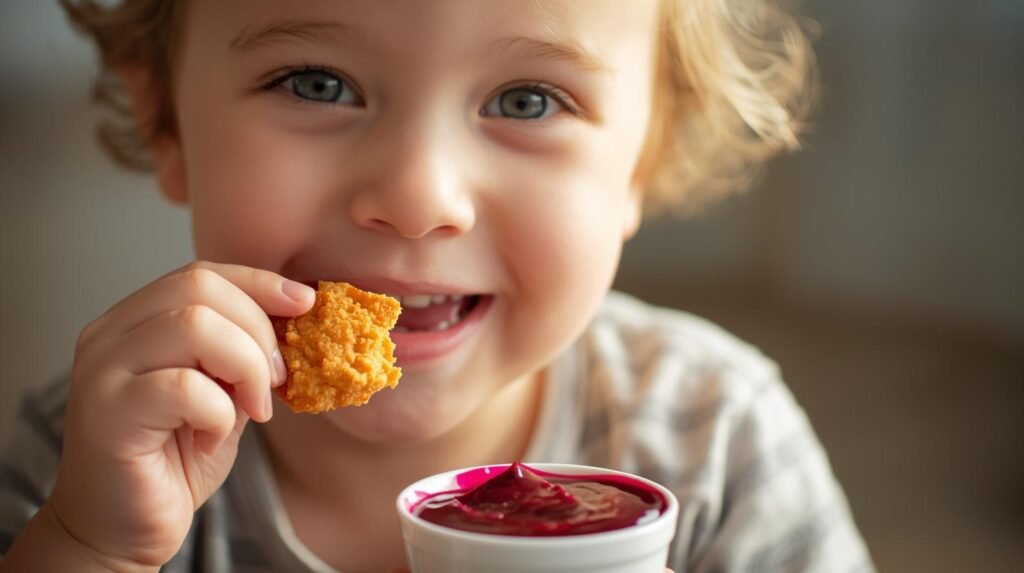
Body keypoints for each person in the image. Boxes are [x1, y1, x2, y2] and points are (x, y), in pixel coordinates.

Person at [0, 0, 875, 571]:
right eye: (318, 83)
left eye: (528, 100)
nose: (418, 199)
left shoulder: (716, 437)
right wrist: (90, 548)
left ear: (643, 158)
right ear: (166, 122)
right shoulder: (91, 462)